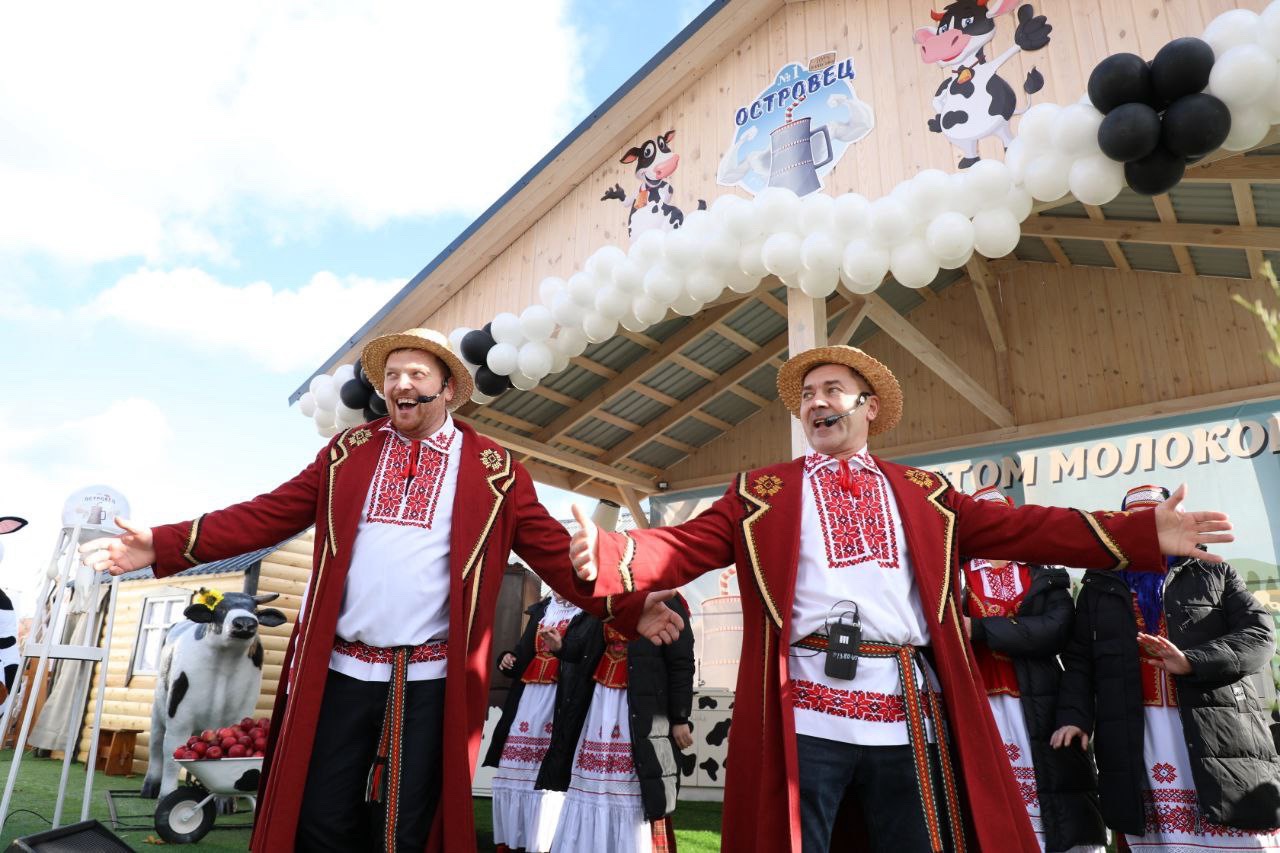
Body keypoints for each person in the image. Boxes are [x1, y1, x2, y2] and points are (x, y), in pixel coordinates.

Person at [569, 344, 1233, 853]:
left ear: (869, 407)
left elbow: (1031, 526)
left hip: (906, 709)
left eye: (833, 389)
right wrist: (612, 555)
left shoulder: (924, 492)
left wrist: (1141, 530)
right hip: (805, 710)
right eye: (806, 394)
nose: (816, 402)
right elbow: (683, 547)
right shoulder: (762, 491)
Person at [78, 327, 683, 853]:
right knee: (320, 814)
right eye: (392, 374)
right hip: (342, 669)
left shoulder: (495, 471)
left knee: (407, 826)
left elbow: (556, 556)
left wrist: (631, 606)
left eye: (416, 372)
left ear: (447, 388)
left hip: (430, 678)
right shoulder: (349, 454)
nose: (400, 383)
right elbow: (268, 514)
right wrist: (162, 544)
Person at [1052, 484, 1280, 851]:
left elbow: (1259, 635)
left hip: (1215, 726)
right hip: (1134, 733)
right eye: (1141, 522)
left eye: (1159, 520)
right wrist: (1074, 717)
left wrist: (1193, 661)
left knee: (1243, 837)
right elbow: (1080, 660)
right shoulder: (1098, 585)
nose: (1151, 530)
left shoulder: (1214, 573)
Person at [960, 486, 1105, 853]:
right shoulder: (954, 574)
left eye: (999, 522)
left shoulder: (1042, 572)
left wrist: (978, 629)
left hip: (1041, 703)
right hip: (980, 704)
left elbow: (1054, 630)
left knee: (1055, 799)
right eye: (983, 523)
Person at [537, 592, 695, 853]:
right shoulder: (607, 600)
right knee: (594, 781)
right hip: (601, 702)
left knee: (637, 782)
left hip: (640, 707)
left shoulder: (670, 601)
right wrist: (562, 646)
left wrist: (680, 718)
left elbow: (681, 664)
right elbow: (585, 646)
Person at [484, 592, 587, 853]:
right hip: (528, 696)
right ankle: (513, 842)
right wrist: (507, 659)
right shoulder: (543, 609)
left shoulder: (587, 612)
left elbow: (585, 657)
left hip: (559, 698)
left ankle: (544, 841)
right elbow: (522, 653)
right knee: (514, 766)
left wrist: (561, 647)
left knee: (549, 770)